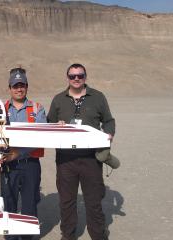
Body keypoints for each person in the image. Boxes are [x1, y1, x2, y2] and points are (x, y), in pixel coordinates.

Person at [46, 63, 115, 240]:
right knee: (67, 201)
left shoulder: (98, 97)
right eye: (72, 76)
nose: (76, 78)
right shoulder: (59, 99)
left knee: (93, 201)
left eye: (80, 75)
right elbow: (48, 123)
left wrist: (109, 133)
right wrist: (55, 125)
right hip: (65, 160)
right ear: (67, 78)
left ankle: (98, 234)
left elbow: (108, 120)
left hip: (91, 158)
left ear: (85, 76)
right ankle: (68, 235)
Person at [0, 67, 47, 240]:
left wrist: (17, 153)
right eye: (15, 85)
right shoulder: (1, 109)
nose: (19, 89)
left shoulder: (37, 109)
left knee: (29, 205)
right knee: (8, 202)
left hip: (30, 165)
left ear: (27, 86)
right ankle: (10, 237)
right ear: (9, 88)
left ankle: (26, 236)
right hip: (8, 166)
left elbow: (40, 138)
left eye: (22, 85)